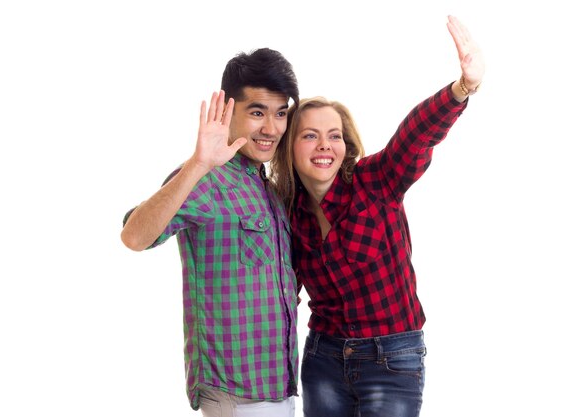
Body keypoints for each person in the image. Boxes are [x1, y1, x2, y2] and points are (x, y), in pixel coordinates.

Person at [269, 16, 485, 417]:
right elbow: (279, 290)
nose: (324, 145)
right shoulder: (287, 212)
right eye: (310, 135)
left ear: (345, 143)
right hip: (323, 359)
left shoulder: (375, 181)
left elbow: (414, 136)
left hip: (393, 359)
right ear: (291, 147)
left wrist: (460, 90)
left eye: (334, 135)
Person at [121, 48, 300, 417]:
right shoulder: (206, 179)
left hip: (278, 387)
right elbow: (134, 236)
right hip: (236, 394)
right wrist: (198, 163)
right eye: (257, 112)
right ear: (229, 109)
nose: (271, 128)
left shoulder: (266, 187)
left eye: (281, 113)